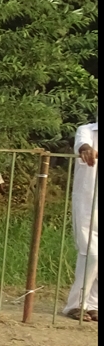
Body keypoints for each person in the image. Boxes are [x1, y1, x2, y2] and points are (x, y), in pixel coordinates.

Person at [64, 120, 98, 321]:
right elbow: (82, 145)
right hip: (87, 202)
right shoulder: (86, 131)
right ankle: (76, 305)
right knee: (91, 255)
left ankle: (93, 305)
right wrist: (86, 149)